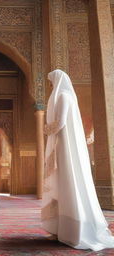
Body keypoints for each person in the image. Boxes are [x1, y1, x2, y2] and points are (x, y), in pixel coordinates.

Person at [42, 69, 114, 251]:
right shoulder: (62, 96)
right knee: (60, 184)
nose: (50, 86)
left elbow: (61, 123)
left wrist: (46, 129)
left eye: (51, 82)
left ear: (58, 80)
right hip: (60, 146)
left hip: (66, 148)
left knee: (68, 183)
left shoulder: (64, 97)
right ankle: (58, 229)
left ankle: (73, 231)